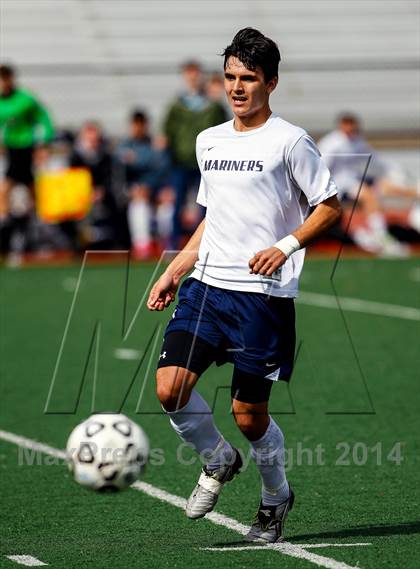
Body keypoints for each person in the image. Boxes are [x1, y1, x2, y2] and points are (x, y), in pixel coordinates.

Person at [147, 28, 341, 543]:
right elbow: (213, 219)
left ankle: (275, 496)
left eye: (249, 79)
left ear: (271, 82)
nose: (237, 87)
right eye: (231, 77)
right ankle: (218, 461)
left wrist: (287, 245)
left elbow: (329, 207)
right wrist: (174, 269)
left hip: (263, 298)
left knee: (249, 416)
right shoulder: (208, 140)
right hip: (207, 288)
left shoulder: (290, 140)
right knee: (170, 389)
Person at [318, 113, 417, 255]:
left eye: (352, 124)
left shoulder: (356, 141)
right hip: (338, 185)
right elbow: (321, 167)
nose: (350, 128)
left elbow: (376, 159)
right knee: (368, 195)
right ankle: (381, 236)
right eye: (347, 124)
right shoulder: (331, 144)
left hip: (353, 180)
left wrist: (395, 170)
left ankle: (415, 196)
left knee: (386, 186)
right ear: (341, 125)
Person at [163, 60, 227, 249]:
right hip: (181, 162)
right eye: (189, 74)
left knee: (206, 206)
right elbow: (168, 133)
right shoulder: (177, 105)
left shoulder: (212, 105)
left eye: (195, 74)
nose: (192, 78)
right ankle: (174, 245)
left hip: (205, 163)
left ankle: (202, 245)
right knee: (177, 205)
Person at [0, 64, 54, 255]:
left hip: (26, 149)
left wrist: (44, 143)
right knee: (6, 189)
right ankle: (6, 225)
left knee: (30, 188)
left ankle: (40, 227)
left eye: (5, 79)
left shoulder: (25, 100)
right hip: (11, 150)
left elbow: (44, 118)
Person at [115, 110, 172, 258]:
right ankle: (142, 246)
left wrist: (157, 189)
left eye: (141, 125)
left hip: (154, 190)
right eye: (135, 125)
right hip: (133, 192)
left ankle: (166, 244)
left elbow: (162, 168)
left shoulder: (154, 145)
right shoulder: (124, 146)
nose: (138, 128)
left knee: (167, 207)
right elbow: (120, 174)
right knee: (138, 206)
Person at [70, 121, 116, 249]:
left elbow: (110, 179)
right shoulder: (75, 158)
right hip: (81, 200)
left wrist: (102, 191)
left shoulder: (106, 157)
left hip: (102, 198)